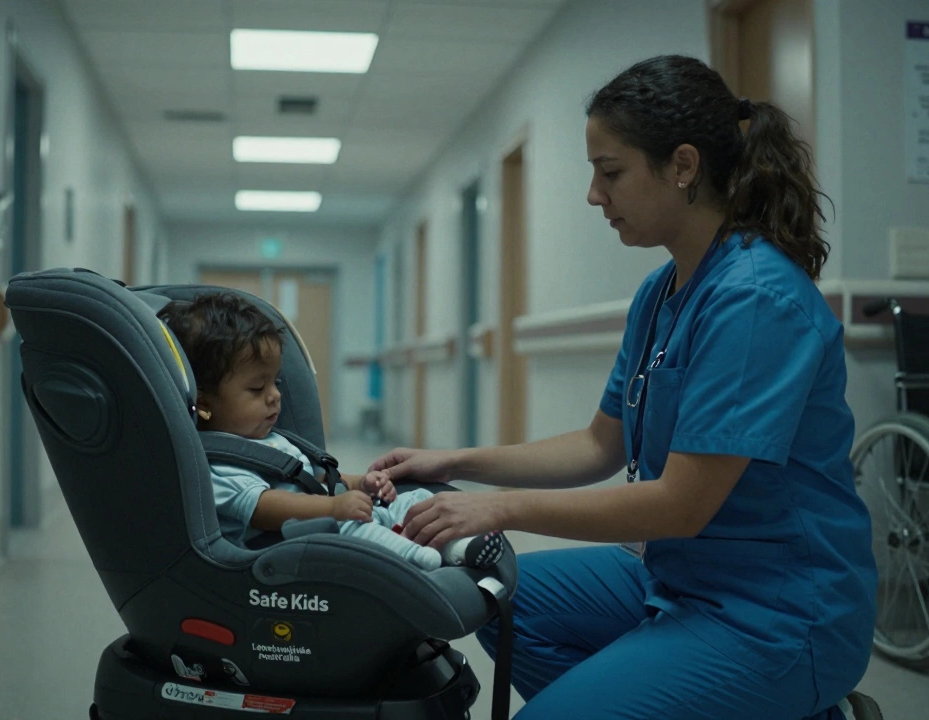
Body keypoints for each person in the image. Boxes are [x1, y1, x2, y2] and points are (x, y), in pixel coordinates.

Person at [369, 55, 881, 720]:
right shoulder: (661, 291)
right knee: (493, 595)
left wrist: (498, 509)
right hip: (677, 575)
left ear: (684, 167)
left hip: (778, 610)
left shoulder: (757, 301)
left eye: (610, 173)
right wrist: (453, 461)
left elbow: (680, 506)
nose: (592, 195)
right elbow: (596, 446)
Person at [158, 292, 504, 571]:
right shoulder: (217, 465)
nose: (275, 396)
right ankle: (416, 556)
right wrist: (332, 509)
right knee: (347, 527)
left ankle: (455, 546)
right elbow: (265, 508)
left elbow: (320, 477)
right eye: (256, 389)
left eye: (275, 383)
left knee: (415, 499)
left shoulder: (272, 439)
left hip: (333, 515)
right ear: (203, 401)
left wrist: (361, 484)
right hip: (287, 544)